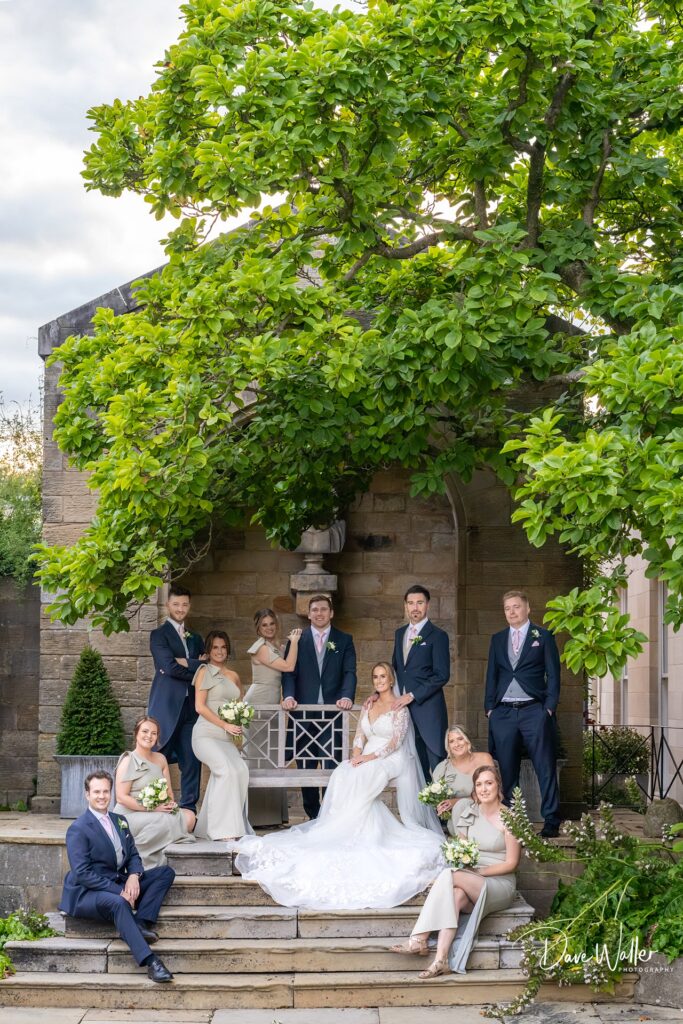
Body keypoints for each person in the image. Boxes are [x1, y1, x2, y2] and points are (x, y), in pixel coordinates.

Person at [235, 663, 444, 909]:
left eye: (383, 676)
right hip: (366, 755)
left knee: (366, 773)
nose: (379, 680)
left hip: (389, 758)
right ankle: (341, 824)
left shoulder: (399, 708)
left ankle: (350, 826)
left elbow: (395, 743)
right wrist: (355, 755)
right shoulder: (369, 704)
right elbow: (360, 736)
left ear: (391, 680)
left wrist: (368, 757)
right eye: (375, 677)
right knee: (343, 772)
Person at [392, 764, 520, 978]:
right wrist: (461, 860)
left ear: (498, 786)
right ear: (474, 789)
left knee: (448, 875)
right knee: (456, 895)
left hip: (499, 882)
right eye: (479, 784)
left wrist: (480, 872)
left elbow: (512, 863)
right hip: (470, 879)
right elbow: (459, 850)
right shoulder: (470, 813)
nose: (484, 789)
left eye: (489, 783)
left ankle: (419, 938)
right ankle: (441, 960)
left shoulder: (510, 818)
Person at [59, 770, 175, 984]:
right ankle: (151, 962)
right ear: (87, 794)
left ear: (110, 793)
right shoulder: (78, 829)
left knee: (165, 873)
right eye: (96, 792)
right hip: (87, 892)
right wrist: (120, 891)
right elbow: (83, 873)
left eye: (105, 791)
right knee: (119, 902)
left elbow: (133, 855)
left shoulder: (119, 820)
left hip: (118, 881)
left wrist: (134, 876)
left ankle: (139, 923)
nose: (101, 796)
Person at [485, 589, 561, 837]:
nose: (512, 612)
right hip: (503, 712)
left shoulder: (543, 636)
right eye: (507, 608)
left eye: (516, 607)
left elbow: (554, 675)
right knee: (507, 769)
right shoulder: (497, 639)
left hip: (534, 711)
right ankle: (513, 819)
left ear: (527, 608)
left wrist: (548, 708)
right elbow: (492, 675)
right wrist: (490, 709)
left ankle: (551, 820)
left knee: (544, 767)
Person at [281, 594, 357, 819]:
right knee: (306, 766)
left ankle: (330, 815)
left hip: (333, 715)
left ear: (331, 613)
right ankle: (313, 814)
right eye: (314, 610)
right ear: (309, 614)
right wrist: (289, 695)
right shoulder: (297, 639)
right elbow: (289, 673)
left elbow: (349, 672)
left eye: (324, 609)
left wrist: (347, 696)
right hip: (303, 715)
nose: (319, 613)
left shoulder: (344, 640)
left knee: (332, 765)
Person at [147, 586, 207, 815]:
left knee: (192, 759)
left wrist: (189, 663)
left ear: (189, 606)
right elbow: (169, 667)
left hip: (193, 708)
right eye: (176, 604)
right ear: (168, 606)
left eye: (184, 604)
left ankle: (188, 809)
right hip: (166, 707)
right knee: (157, 756)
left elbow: (206, 667)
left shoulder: (196, 638)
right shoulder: (158, 635)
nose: (180, 609)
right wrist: (195, 667)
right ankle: (156, 807)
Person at [114, 715, 196, 869]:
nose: (149, 736)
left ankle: (161, 835)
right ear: (136, 734)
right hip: (129, 814)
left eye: (154, 733)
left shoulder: (161, 759)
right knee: (164, 821)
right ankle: (134, 856)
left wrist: (169, 804)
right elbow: (121, 798)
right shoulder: (128, 760)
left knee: (190, 817)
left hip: (157, 811)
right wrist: (152, 808)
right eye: (145, 731)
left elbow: (169, 793)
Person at [244, 609, 302, 827]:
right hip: (259, 704)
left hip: (272, 705)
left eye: (271, 623)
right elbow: (289, 667)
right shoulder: (260, 648)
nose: (269, 628)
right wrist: (294, 641)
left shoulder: (275, 646)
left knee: (272, 758)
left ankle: (273, 816)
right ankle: (255, 817)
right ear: (258, 628)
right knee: (257, 759)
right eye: (264, 625)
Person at [192, 630, 250, 841]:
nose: (219, 651)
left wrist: (238, 729)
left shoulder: (234, 676)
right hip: (206, 735)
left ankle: (209, 826)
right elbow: (200, 707)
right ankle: (223, 831)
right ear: (208, 651)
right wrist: (225, 724)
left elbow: (239, 706)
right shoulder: (204, 671)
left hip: (227, 738)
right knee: (225, 771)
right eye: (215, 647)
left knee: (240, 771)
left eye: (223, 647)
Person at [391, 584, 450, 779]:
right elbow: (396, 670)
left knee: (437, 763)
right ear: (405, 606)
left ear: (428, 605)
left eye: (419, 603)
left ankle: (441, 800)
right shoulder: (399, 634)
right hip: (404, 712)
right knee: (415, 766)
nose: (415, 607)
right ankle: (423, 801)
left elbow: (442, 675)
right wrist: (379, 695)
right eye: (410, 603)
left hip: (429, 710)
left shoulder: (438, 636)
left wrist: (412, 695)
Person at [432, 725, 495, 835]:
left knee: (462, 804)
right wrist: (443, 806)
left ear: (467, 740)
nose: (457, 744)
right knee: (460, 806)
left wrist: (455, 801)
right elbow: (438, 800)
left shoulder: (484, 758)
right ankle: (463, 843)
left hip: (485, 811)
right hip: (458, 819)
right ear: (448, 746)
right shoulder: (442, 769)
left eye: (460, 739)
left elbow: (493, 790)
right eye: (452, 741)